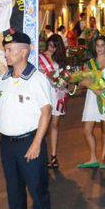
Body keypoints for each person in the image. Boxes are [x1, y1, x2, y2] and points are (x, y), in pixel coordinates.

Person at [0, 32, 53, 209]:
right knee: (14, 192)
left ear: (24, 51)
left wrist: (37, 143)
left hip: (29, 142)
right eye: (5, 50)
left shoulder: (37, 79)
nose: (6, 54)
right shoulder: (4, 79)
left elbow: (46, 112)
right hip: (7, 144)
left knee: (38, 192)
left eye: (10, 50)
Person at [78, 36, 105, 169]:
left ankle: (102, 158)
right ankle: (93, 158)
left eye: (102, 45)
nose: (100, 48)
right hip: (92, 98)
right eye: (98, 45)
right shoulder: (89, 64)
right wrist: (90, 87)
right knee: (86, 130)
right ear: (94, 47)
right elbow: (82, 82)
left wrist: (103, 90)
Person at [38, 34, 68, 170]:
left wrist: (65, 81)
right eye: (50, 45)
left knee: (54, 124)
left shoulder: (60, 60)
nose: (52, 48)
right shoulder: (38, 57)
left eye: (55, 46)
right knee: (42, 125)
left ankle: (54, 156)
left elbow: (65, 77)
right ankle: (40, 154)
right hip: (43, 93)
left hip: (56, 94)